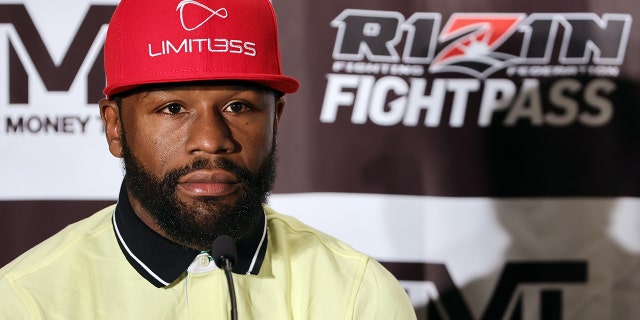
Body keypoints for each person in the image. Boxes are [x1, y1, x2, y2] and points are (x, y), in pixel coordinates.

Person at [0, 0, 416, 318]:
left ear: (276, 121)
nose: (211, 141)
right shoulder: (28, 299)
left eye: (238, 106)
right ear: (115, 127)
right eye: (173, 108)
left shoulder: (357, 295)